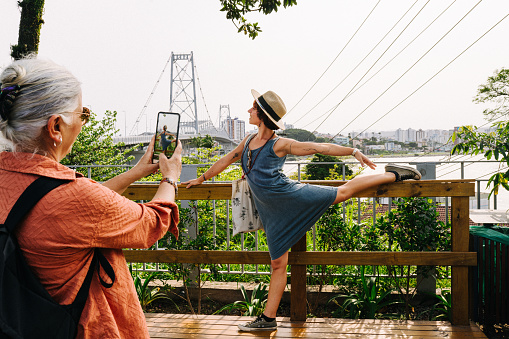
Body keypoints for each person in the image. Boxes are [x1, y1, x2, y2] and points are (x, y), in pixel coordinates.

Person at [183, 89, 421, 331]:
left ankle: (394, 174)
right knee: (278, 264)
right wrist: (200, 179)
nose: (248, 111)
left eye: (253, 108)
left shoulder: (280, 144)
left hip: (290, 195)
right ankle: (268, 319)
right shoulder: (247, 142)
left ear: (262, 115)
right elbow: (226, 160)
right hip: (271, 211)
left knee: (343, 192)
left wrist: (353, 151)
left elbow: (319, 148)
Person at [0, 57, 182, 338]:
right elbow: (154, 222)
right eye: (82, 114)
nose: (83, 123)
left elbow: (70, 209)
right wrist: (170, 177)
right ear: (55, 127)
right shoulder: (74, 197)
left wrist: (135, 173)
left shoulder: (14, 177)